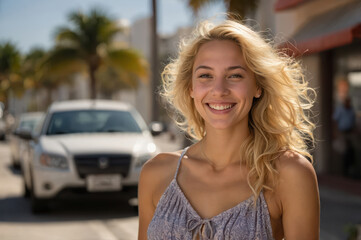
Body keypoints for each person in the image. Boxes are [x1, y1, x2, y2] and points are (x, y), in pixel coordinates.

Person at [138, 19, 320, 240]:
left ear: (257, 86)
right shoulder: (156, 173)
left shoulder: (290, 174)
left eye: (235, 75)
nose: (219, 90)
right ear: (191, 88)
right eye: (205, 75)